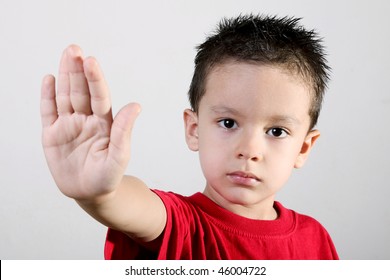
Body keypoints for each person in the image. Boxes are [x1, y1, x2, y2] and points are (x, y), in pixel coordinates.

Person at [40, 14, 339, 260]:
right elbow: (138, 208)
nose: (249, 150)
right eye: (228, 122)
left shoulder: (316, 240)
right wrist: (101, 194)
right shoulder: (183, 226)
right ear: (194, 129)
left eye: (276, 131)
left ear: (303, 147)